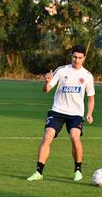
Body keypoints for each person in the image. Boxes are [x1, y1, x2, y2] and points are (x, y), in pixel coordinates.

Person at [27, 45, 95, 182]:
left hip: (76, 114)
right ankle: (38, 172)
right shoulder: (62, 70)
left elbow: (91, 97)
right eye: (74, 57)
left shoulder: (87, 76)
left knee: (75, 137)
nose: (77, 60)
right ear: (71, 56)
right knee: (48, 136)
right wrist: (46, 82)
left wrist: (90, 113)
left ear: (84, 58)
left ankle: (78, 171)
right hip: (58, 111)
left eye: (80, 58)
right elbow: (46, 90)